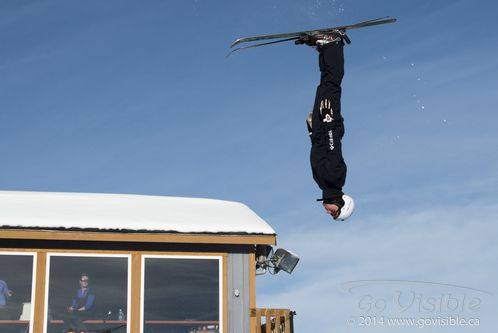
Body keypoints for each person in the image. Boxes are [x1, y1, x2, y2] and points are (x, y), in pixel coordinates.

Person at [299, 30, 355, 221]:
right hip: (328, 123)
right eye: (334, 212)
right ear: (341, 204)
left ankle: (324, 48)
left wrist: (312, 131)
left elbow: (318, 150)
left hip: (321, 128)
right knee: (331, 86)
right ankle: (334, 44)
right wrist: (329, 121)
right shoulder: (335, 179)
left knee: (323, 86)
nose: (328, 212)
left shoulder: (323, 183)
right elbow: (333, 148)